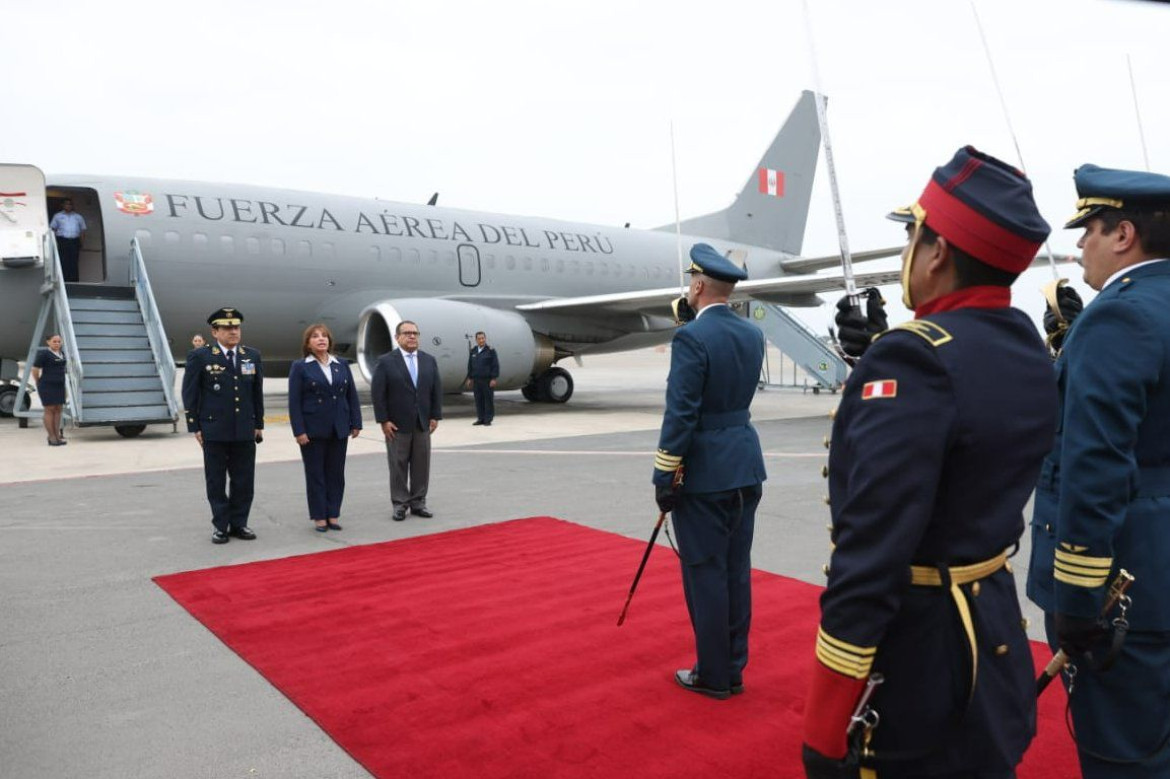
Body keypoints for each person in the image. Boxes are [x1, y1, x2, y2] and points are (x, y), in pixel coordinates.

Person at [803, 147, 1058, 778]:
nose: (907, 252)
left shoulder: (913, 360)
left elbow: (871, 552)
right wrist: (881, 359)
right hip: (991, 628)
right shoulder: (1024, 344)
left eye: (912, 234)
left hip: (924, 655)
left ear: (937, 251)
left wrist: (825, 723)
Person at [1025, 165, 1170, 778]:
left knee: (1124, 753)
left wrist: (1080, 597)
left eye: (1089, 228)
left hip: (1125, 585)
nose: (1078, 242)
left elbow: (1096, 463)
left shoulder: (1119, 317)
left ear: (1123, 235)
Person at [652, 242, 767, 701]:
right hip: (745, 464)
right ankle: (734, 667)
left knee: (705, 574)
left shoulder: (691, 338)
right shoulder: (752, 335)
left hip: (704, 474)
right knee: (736, 571)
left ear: (697, 286)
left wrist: (664, 476)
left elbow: (680, 416)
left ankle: (714, 675)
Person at [181, 307, 264, 544]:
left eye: (236, 327)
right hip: (214, 429)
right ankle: (220, 525)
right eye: (227, 328)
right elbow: (190, 394)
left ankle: (240, 523)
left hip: (244, 429)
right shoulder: (201, 356)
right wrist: (194, 426)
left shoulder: (252, 356)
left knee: (244, 480)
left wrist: (258, 423)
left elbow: (256, 393)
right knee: (216, 480)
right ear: (214, 331)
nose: (233, 332)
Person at [288, 323, 362, 532]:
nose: (321, 339)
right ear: (308, 343)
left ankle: (333, 514)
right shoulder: (301, 367)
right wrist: (299, 431)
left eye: (324, 336)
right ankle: (319, 516)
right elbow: (294, 402)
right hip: (313, 429)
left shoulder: (341, 364)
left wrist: (356, 422)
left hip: (339, 427)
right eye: (315, 337)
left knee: (336, 474)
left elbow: (351, 396)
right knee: (316, 474)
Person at [371, 320, 442, 521]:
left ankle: (419, 502)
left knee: (422, 464)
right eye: (407, 333)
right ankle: (400, 504)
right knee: (398, 465)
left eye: (415, 333)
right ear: (397, 337)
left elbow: (435, 390)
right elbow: (378, 394)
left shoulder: (429, 360)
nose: (412, 336)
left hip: (422, 423)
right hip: (397, 424)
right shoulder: (386, 361)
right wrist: (383, 420)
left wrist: (435, 415)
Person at [32, 334, 68, 446]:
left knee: (58, 409)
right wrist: (38, 381)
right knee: (49, 409)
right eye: (54, 341)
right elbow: (35, 369)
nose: (57, 343)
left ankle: (57, 436)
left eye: (59, 341)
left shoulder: (62, 354)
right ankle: (51, 437)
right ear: (48, 342)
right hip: (47, 385)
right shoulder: (44, 354)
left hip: (60, 385)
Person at [465, 330, 499, 425]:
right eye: (479, 339)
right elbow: (470, 365)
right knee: (478, 400)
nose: (481, 340)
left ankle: (488, 419)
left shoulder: (490, 350)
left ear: (485, 338)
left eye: (483, 338)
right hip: (476, 380)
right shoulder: (473, 351)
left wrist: (493, 378)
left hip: (487, 380)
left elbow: (495, 365)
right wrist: (470, 378)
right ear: (476, 340)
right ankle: (480, 418)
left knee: (488, 400)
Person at [48, 199, 86, 283]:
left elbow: (82, 231)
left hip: (74, 242)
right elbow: (52, 229)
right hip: (62, 241)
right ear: (63, 205)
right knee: (63, 262)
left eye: (70, 204)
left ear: (72, 206)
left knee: (74, 262)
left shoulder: (78, 217)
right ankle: (63, 281)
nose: (68, 206)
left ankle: (74, 282)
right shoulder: (57, 216)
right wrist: (55, 244)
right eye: (66, 204)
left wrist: (82, 244)